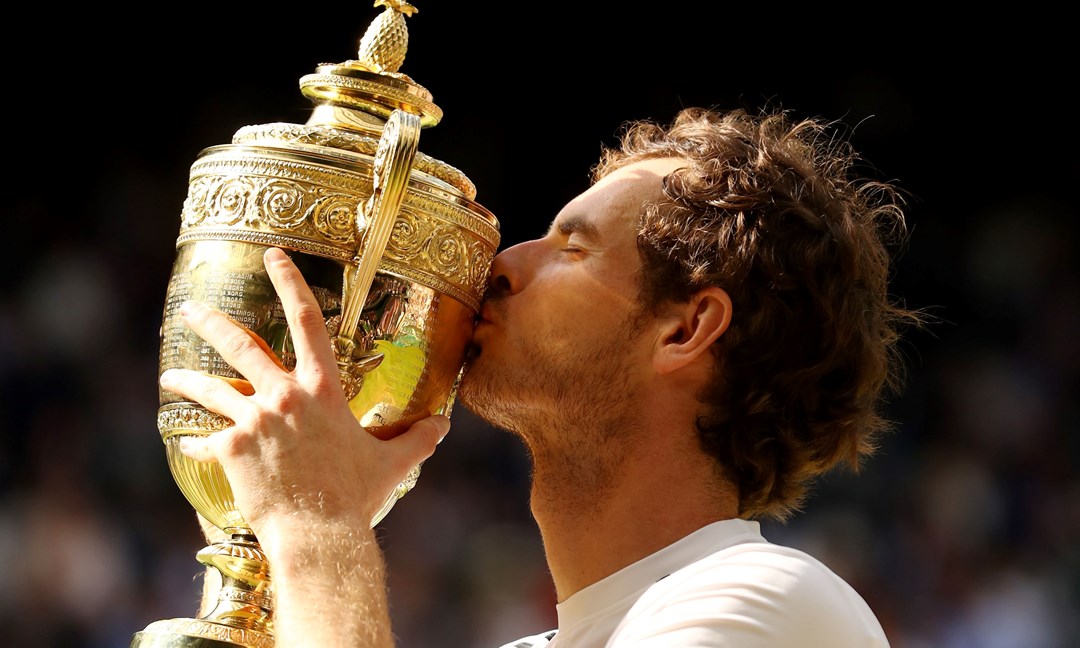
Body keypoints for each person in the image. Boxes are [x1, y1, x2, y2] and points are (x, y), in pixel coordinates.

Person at [161, 105, 920, 647]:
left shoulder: (772, 604)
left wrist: (316, 520)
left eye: (573, 247)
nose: (502, 267)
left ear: (686, 329)